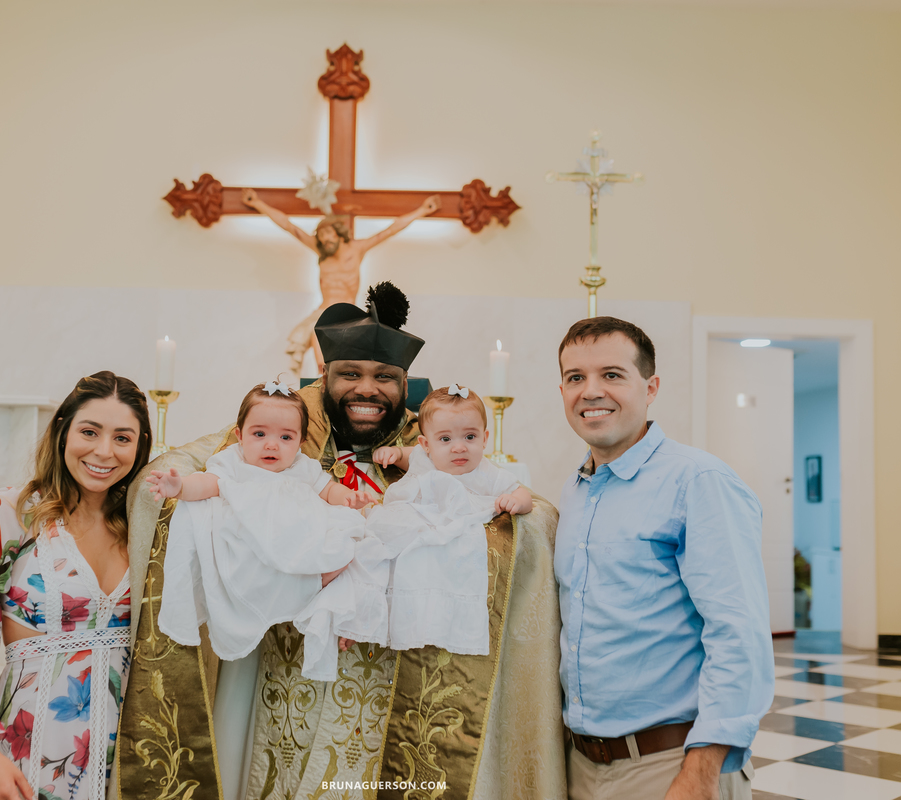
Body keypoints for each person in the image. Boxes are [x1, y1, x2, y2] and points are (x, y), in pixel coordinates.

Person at [113, 283, 566, 800]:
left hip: (395, 687)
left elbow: (527, 509)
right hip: (286, 685)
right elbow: (182, 470)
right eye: (350, 374)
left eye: (385, 378)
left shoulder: (438, 441)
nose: (367, 389)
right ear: (325, 376)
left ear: (406, 384)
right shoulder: (284, 435)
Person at [554, 317, 773, 800]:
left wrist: (700, 773)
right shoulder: (574, 492)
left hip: (670, 766)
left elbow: (738, 634)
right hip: (582, 766)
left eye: (612, 375)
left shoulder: (698, 482)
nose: (591, 391)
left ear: (650, 387)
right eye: (575, 378)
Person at [0, 371, 152, 800]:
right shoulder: (15, 512)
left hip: (126, 748)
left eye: (122, 437)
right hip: (29, 744)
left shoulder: (143, 524)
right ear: (62, 431)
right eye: (90, 431)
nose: (103, 451)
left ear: (141, 445)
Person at [147, 381, 374, 681]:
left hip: (298, 534)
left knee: (351, 533)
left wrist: (347, 498)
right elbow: (208, 483)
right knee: (250, 562)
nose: (272, 444)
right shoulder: (232, 463)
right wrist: (180, 487)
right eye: (259, 434)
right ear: (240, 436)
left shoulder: (302, 467)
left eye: (285, 437)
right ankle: (309, 584)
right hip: (255, 538)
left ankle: (317, 582)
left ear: (301, 441)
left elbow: (327, 489)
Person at [351, 384, 534, 654]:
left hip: (447, 530)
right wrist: (394, 453)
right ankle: (361, 612)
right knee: (373, 547)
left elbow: (524, 493)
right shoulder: (424, 457)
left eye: (469, 437)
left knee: (437, 559)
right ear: (426, 444)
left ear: (484, 439)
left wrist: (516, 501)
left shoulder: (487, 472)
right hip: (409, 520)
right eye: (445, 439)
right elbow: (407, 455)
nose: (459, 448)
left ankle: (437, 620)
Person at [241, 187, 441, 375]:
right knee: (319, 348)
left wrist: (422, 210)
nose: (325, 240)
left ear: (338, 233)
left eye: (329, 234)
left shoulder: (356, 249)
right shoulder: (321, 251)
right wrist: (258, 203)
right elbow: (288, 226)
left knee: (352, 361)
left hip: (348, 314)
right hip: (324, 311)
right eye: (321, 236)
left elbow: (390, 230)